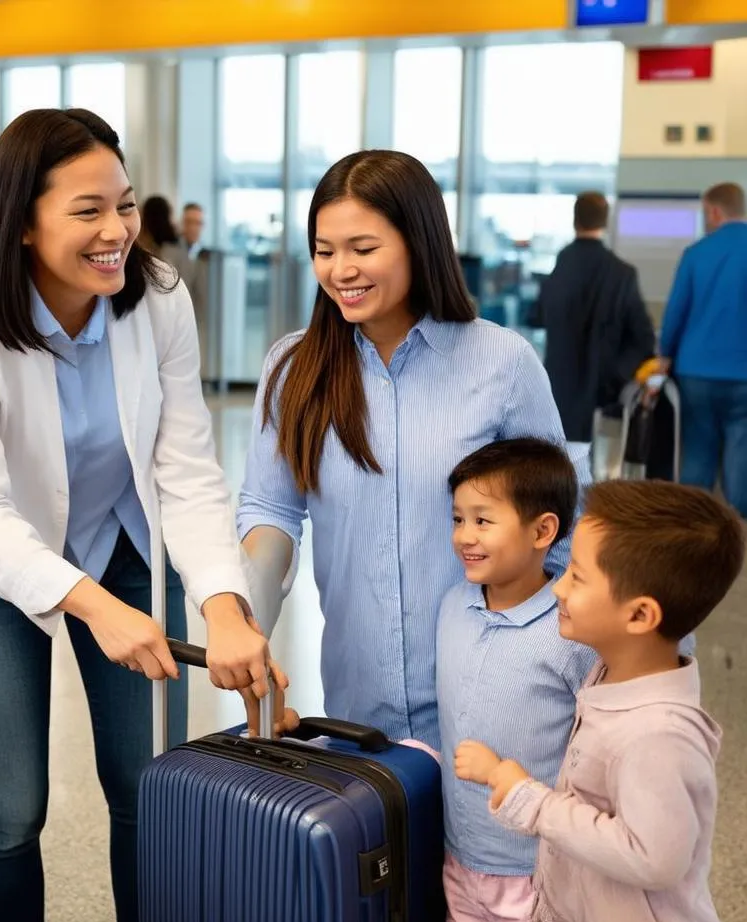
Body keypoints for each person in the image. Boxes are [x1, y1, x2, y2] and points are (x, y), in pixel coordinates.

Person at [0, 108, 286, 922]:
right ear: (22, 218)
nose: (117, 230)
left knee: (147, 783)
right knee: (8, 803)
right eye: (88, 211)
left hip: (122, 541)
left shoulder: (156, 296)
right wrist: (91, 608)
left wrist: (225, 603)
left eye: (123, 204)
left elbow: (185, 466)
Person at [238, 149, 587, 750]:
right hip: (357, 701)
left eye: (363, 249)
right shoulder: (295, 368)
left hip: (491, 696)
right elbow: (271, 510)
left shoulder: (500, 363)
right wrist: (250, 635)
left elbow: (560, 526)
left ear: (418, 242)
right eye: (324, 251)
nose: (340, 269)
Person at [456, 480, 742, 922]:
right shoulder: (614, 672)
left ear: (639, 616)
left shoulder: (659, 735)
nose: (559, 589)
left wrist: (532, 801)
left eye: (577, 577)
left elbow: (653, 857)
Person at [438, 438, 596, 922]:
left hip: (539, 875)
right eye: (457, 519)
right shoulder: (453, 604)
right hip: (461, 860)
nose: (464, 535)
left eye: (483, 520)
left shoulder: (568, 631)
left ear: (542, 531)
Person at [530, 192, 656, 458]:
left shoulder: (560, 265)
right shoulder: (622, 273)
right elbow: (644, 339)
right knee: (596, 473)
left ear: (575, 220)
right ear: (606, 223)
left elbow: (537, 316)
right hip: (602, 397)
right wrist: (617, 376)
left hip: (557, 392)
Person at [659, 182, 747, 516]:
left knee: (698, 450)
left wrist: (664, 355)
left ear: (714, 211)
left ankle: (693, 526)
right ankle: (739, 532)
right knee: (742, 450)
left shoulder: (696, 253)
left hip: (696, 371)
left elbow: (676, 312)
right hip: (744, 375)